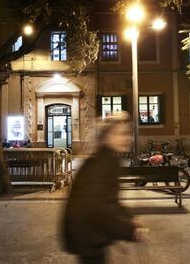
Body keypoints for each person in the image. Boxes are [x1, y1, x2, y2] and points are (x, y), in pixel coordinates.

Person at [62, 112, 145, 264]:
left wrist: (130, 218)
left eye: (129, 133)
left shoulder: (108, 158)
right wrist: (129, 231)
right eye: (121, 134)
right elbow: (98, 209)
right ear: (107, 136)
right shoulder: (102, 163)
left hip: (89, 233)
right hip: (86, 233)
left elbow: (110, 200)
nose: (128, 138)